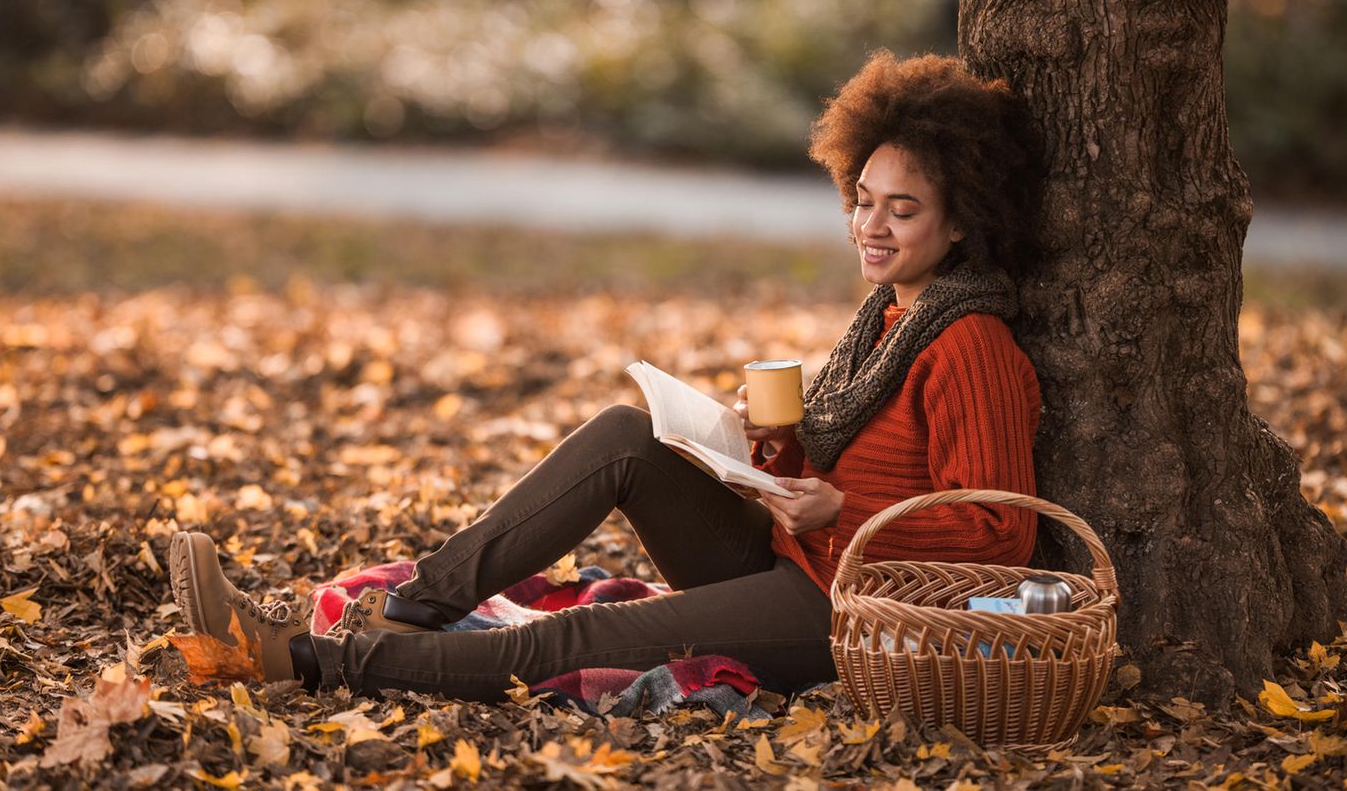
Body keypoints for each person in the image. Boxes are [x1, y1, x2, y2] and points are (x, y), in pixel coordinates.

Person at [167, 50, 1043, 699]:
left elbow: (1002, 535)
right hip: (792, 556)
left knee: (583, 635)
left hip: (847, 611)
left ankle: (305, 660)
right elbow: (846, 474)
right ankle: (416, 606)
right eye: (864, 200)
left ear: (961, 222)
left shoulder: (970, 343)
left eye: (903, 210)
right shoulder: (888, 316)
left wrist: (840, 512)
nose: (872, 227)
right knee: (626, 436)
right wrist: (766, 452)